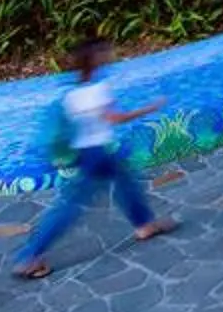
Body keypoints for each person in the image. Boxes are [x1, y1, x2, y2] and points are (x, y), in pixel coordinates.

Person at [11, 40, 176, 278]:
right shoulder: (97, 89)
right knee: (70, 206)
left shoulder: (71, 92)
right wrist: (149, 109)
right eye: (104, 51)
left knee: (124, 181)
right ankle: (30, 256)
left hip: (86, 153)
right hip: (96, 154)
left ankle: (145, 224)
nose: (110, 53)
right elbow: (115, 119)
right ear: (95, 59)